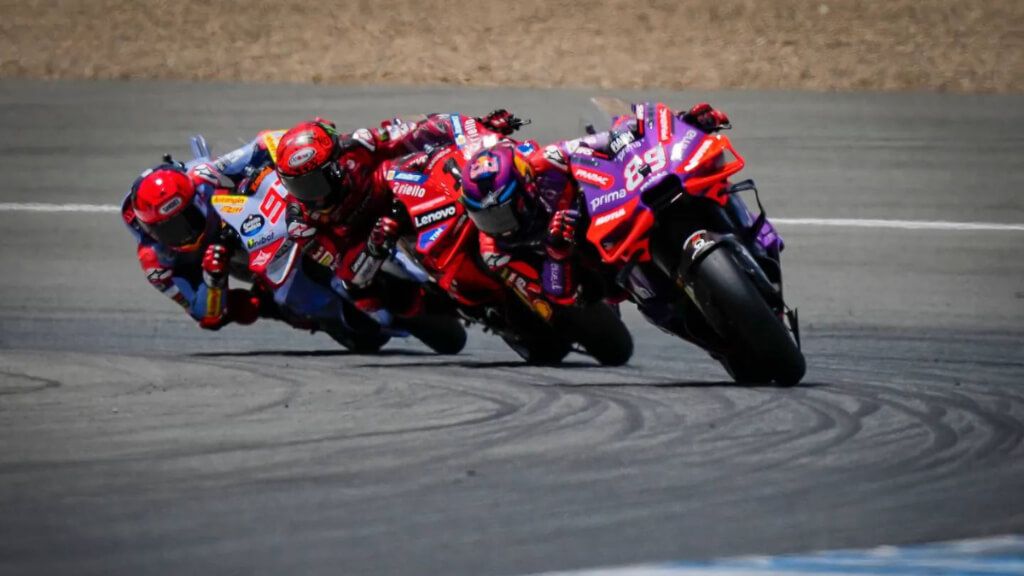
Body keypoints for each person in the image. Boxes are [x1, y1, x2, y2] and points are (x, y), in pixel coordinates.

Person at [456, 103, 737, 313]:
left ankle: (745, 229)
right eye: (484, 217)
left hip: (619, 213)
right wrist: (556, 253)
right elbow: (556, 296)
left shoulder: (549, 162)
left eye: (501, 214)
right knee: (654, 305)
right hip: (600, 271)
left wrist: (681, 124)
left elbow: (613, 138)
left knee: (698, 181)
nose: (498, 227)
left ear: (525, 185)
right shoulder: (494, 252)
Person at [274, 110, 523, 314]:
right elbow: (343, 268)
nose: (310, 195)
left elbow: (422, 129)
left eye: (314, 183)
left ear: (335, 166)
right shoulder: (301, 223)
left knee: (431, 161)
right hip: (363, 240)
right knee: (362, 297)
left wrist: (478, 129)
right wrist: (372, 247)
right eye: (298, 186)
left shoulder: (360, 144)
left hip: (400, 194)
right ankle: (440, 296)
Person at [121, 134, 278, 329]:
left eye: (187, 218)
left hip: (249, 217)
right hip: (226, 262)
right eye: (169, 230)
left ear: (196, 199)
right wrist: (214, 280)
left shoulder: (202, 175)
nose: (183, 233)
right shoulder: (155, 262)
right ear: (152, 232)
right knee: (245, 309)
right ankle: (273, 303)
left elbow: (261, 144)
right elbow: (204, 316)